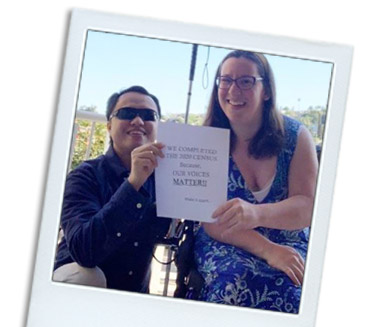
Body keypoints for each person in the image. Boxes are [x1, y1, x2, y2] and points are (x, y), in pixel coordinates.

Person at [193, 50, 318, 313]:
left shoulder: (296, 136)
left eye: (246, 81)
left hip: (290, 241)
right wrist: (269, 251)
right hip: (226, 240)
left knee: (294, 292)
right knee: (233, 286)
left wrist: (256, 213)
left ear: (267, 90)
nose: (233, 90)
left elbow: (307, 206)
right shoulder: (204, 139)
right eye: (225, 80)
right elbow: (211, 220)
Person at [53, 85, 170, 292]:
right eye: (126, 113)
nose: (138, 121)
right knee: (88, 276)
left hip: (131, 293)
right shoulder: (84, 176)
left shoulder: (164, 181)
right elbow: (84, 251)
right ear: (108, 126)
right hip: (77, 286)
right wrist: (133, 183)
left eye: (148, 115)